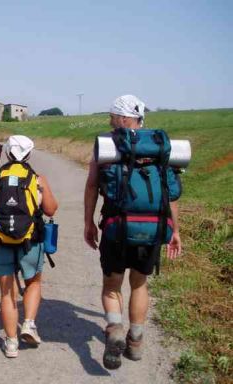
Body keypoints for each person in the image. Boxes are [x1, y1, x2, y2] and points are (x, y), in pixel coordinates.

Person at [84, 95, 182, 369]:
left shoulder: (107, 145)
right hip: (153, 229)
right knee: (139, 283)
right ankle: (136, 339)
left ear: (123, 119)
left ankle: (115, 329)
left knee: (112, 286)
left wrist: (88, 222)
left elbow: (92, 185)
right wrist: (175, 230)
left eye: (113, 116)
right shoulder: (161, 145)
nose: (110, 120)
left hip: (116, 228)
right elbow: (171, 193)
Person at [0, 135, 58, 358]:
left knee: (6, 293)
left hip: (0, 243)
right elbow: (51, 210)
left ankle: (11, 344)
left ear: (8, 154)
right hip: (30, 242)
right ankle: (29, 324)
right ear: (29, 154)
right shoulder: (38, 179)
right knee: (33, 282)